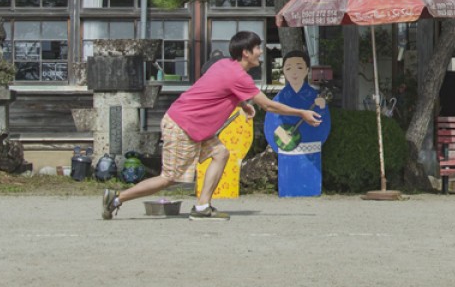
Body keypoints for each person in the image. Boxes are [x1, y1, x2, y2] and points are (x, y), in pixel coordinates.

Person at [100, 31, 322, 221]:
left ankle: (202, 207)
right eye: (257, 48)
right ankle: (117, 198)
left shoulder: (224, 64)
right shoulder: (239, 76)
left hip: (192, 125)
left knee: (220, 152)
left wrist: (243, 104)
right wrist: (301, 112)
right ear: (246, 52)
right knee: (168, 177)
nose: (261, 52)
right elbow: (268, 106)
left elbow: (215, 89)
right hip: (183, 125)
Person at [263, 50, 331, 198]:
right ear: (283, 72)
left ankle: (312, 190)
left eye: (299, 67)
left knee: (309, 171)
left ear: (307, 70)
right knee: (289, 172)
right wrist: (279, 141)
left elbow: (322, 121)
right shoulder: (279, 97)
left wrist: (322, 107)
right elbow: (272, 120)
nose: (294, 72)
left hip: (310, 145)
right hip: (287, 146)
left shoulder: (314, 96)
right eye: (288, 68)